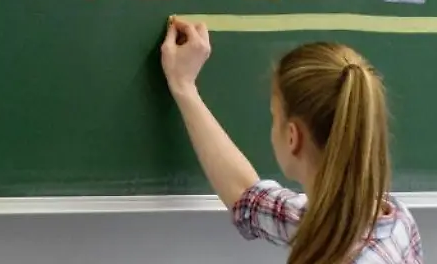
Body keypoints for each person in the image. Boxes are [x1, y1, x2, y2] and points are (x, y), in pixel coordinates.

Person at [160, 16, 423, 264]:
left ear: (292, 136)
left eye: (274, 116)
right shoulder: (387, 219)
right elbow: (248, 199)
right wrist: (184, 87)